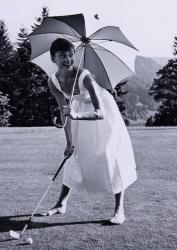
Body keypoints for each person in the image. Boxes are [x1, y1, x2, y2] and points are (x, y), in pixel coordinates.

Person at [44, 38, 137, 224]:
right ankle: (61, 204)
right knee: (74, 156)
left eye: (71, 55)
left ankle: (119, 210)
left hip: (103, 112)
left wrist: (76, 116)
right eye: (63, 56)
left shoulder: (85, 77)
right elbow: (64, 111)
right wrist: (68, 141)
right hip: (78, 110)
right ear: (53, 58)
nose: (68, 59)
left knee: (111, 156)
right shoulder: (53, 81)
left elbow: (100, 112)